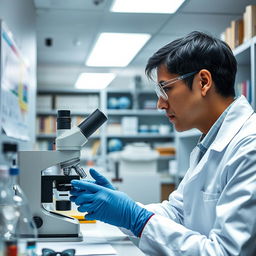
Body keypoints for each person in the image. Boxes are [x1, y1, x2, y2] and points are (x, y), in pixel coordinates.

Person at [70, 31, 256, 255]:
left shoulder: (249, 147)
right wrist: (122, 210)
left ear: (204, 82)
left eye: (165, 89)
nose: (160, 104)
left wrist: (135, 218)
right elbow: (178, 212)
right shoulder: (208, 143)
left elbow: (225, 252)